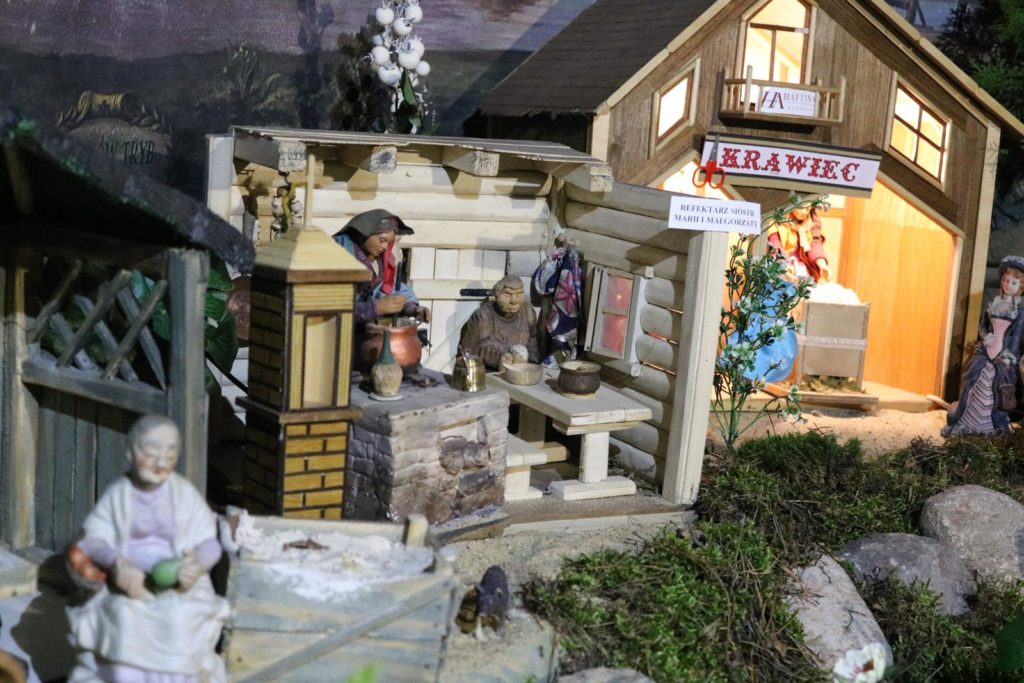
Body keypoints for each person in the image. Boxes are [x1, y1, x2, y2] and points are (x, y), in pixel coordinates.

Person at [66, 415, 229, 682]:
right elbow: (92, 539)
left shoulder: (184, 493)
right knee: (122, 618)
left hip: (180, 586)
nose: (161, 463)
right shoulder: (119, 493)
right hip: (127, 584)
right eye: (151, 454)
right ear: (131, 453)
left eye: (170, 454)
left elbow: (210, 543)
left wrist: (198, 563)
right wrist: (116, 562)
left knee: (178, 619)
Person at [943, 255, 1024, 436]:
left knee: (997, 388)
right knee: (973, 382)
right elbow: (983, 326)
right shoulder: (994, 303)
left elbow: (1016, 337)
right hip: (986, 350)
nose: (1008, 285)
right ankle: (967, 420)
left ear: (1021, 286)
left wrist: (1008, 355)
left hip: (1003, 354)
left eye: (1013, 283)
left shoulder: (1019, 311)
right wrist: (985, 336)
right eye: (1006, 281)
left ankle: (991, 424)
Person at [332, 209, 430, 325]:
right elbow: (329, 306)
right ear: (364, 234)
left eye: (389, 243)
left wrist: (412, 308)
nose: (384, 247)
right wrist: (375, 308)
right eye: (382, 240)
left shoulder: (379, 262)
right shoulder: (337, 257)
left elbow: (388, 288)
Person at [459, 275, 540, 371]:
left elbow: (533, 341)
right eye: (507, 295)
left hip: (522, 371)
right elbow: (472, 352)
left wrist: (533, 364)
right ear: (497, 295)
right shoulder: (483, 316)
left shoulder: (527, 312)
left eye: (519, 294)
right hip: (488, 373)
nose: (514, 301)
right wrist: (500, 358)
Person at [767, 206, 830, 283]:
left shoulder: (810, 222)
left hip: (802, 269)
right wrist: (784, 266)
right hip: (783, 265)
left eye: (808, 209)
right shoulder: (775, 222)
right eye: (801, 207)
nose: (804, 212)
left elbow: (814, 244)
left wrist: (822, 265)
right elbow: (775, 247)